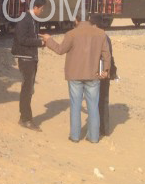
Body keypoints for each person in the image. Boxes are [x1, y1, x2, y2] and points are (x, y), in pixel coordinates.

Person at [41, 12, 111, 143]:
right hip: (94, 75)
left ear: (77, 20)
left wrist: (48, 40)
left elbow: (60, 50)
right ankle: (94, 137)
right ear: (89, 19)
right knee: (93, 107)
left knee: (75, 105)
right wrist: (106, 70)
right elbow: (106, 55)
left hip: (74, 75)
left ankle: (75, 136)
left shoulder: (71, 34)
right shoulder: (101, 34)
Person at [11, 0, 46, 131]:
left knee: (29, 88)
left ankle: (25, 117)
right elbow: (22, 39)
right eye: (41, 9)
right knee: (27, 88)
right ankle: (25, 119)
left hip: (30, 57)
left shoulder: (31, 19)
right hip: (25, 57)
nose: (42, 12)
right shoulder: (25, 20)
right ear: (35, 7)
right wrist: (40, 43)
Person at [89, 14, 117, 136]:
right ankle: (104, 129)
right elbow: (110, 57)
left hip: (96, 73)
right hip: (105, 72)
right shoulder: (106, 37)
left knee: (95, 101)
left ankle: (96, 130)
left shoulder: (94, 38)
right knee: (103, 101)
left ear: (95, 25)